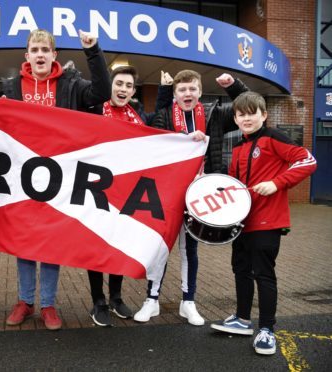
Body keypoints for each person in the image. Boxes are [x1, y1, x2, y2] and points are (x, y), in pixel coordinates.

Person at [2, 28, 111, 330]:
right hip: (20, 176)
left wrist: (93, 50)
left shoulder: (71, 84)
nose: (39, 55)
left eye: (44, 50)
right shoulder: (10, 87)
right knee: (24, 242)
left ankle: (48, 304)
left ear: (53, 56)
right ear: (27, 56)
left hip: (60, 175)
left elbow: (102, 93)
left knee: (50, 241)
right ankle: (25, 301)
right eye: (34, 50)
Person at [134, 70, 249, 326]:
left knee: (190, 249)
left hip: (201, 193)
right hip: (167, 192)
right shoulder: (164, 115)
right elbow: (154, 146)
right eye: (182, 90)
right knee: (160, 247)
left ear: (200, 91)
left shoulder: (214, 114)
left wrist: (233, 85)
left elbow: (246, 105)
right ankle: (151, 300)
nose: (188, 94)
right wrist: (184, 140)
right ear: (175, 94)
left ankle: (189, 302)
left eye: (192, 89)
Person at [211, 91, 316, 355]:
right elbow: (236, 187)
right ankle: (242, 319)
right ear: (235, 118)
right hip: (242, 222)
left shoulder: (273, 138)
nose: (246, 118)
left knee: (264, 275)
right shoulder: (237, 146)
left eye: (251, 113)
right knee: (241, 270)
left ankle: (267, 329)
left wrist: (277, 182)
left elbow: (308, 160)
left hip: (267, 222)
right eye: (241, 114)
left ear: (264, 115)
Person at [87, 65, 174, 327]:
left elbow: (158, 129)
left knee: (119, 245)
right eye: (119, 84)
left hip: (126, 194)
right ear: (110, 85)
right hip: (96, 191)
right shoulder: (93, 110)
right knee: (95, 247)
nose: (122, 89)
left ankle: (115, 297)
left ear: (133, 91)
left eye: (128, 86)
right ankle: (98, 301)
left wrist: (166, 93)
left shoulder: (138, 116)